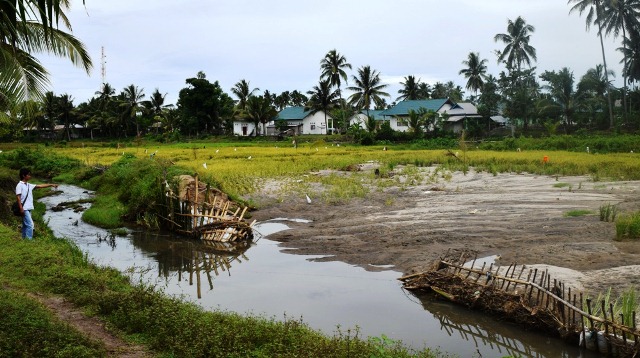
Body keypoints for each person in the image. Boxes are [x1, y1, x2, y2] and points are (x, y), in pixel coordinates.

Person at [15, 168, 59, 239]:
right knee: (30, 225)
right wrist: (21, 208)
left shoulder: (29, 185)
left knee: (25, 224)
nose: (30, 176)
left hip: (28, 208)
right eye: (28, 175)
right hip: (24, 208)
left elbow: (40, 186)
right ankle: (29, 240)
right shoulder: (19, 185)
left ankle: (23, 238)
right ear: (23, 175)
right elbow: (18, 197)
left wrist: (51, 184)